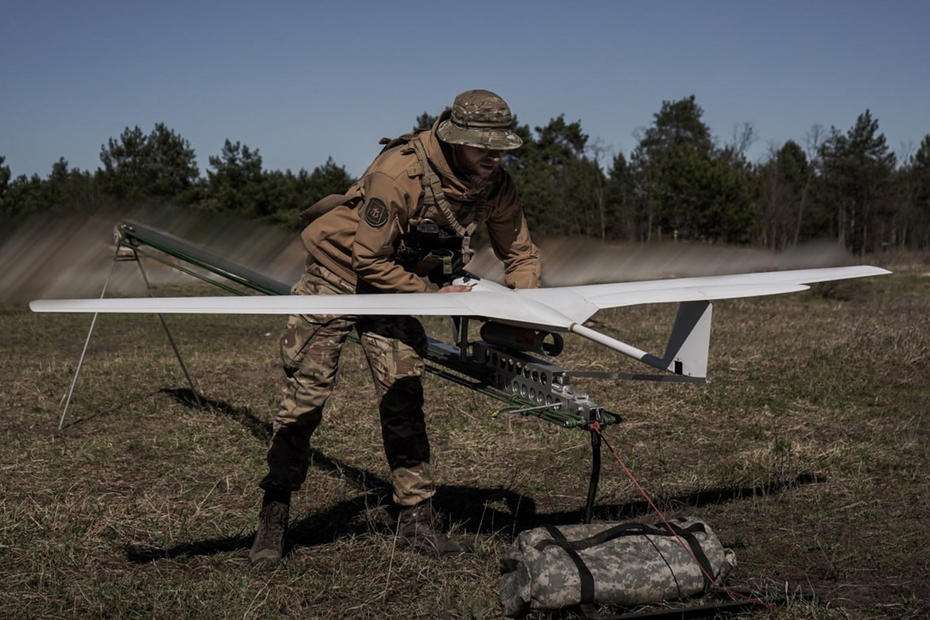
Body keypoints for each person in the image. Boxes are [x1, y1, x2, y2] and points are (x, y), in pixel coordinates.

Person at [249, 89, 541, 565]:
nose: (494, 155)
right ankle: (274, 516)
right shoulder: (399, 172)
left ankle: (416, 521)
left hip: (397, 284)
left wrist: (525, 318)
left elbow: (521, 254)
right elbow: (367, 257)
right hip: (337, 276)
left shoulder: (495, 185)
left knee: (404, 393)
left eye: (501, 146)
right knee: (306, 397)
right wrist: (430, 297)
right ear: (453, 140)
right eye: (482, 144)